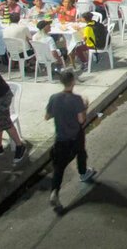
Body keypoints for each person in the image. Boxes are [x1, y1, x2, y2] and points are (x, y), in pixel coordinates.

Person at [45, 70, 95, 210]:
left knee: (59, 168)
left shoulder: (54, 98)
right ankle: (83, 173)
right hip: (75, 136)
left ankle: (55, 192)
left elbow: (47, 116)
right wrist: (85, 106)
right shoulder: (76, 99)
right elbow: (81, 119)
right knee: (81, 153)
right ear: (73, 82)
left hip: (60, 138)